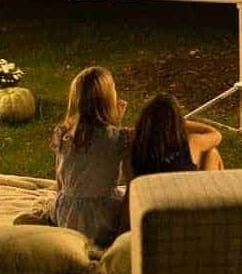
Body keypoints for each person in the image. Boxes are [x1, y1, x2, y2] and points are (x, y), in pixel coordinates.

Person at [48, 66, 131, 247]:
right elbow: (131, 183)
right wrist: (117, 125)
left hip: (66, 216)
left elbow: (60, 183)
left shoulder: (62, 134)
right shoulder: (120, 138)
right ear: (108, 99)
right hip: (102, 221)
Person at [119, 93, 224, 232]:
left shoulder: (134, 147)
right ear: (177, 121)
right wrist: (180, 122)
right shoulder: (193, 143)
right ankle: (218, 210)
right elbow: (215, 134)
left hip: (147, 211)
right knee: (212, 153)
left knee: (211, 153)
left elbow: (130, 188)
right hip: (181, 212)